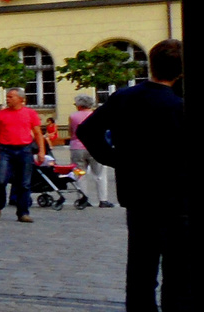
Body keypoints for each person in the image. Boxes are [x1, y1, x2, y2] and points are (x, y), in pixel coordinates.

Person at [78, 38, 185, 312]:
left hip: (137, 192)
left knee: (141, 267)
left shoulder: (126, 97)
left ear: (151, 64)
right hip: (178, 196)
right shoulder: (178, 103)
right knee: (178, 272)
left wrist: (116, 159)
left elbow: (87, 131)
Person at [0, 88, 46, 222]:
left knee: (24, 183)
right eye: (7, 97)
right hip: (5, 150)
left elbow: (38, 133)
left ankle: (23, 212)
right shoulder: (0, 114)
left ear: (20, 99)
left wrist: (41, 151)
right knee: (0, 180)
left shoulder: (30, 113)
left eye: (11, 97)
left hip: (24, 149)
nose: (8, 99)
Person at [66, 93, 112, 208]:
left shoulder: (73, 116)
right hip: (96, 146)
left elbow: (71, 132)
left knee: (80, 173)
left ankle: (83, 198)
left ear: (79, 105)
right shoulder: (95, 115)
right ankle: (103, 199)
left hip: (77, 147)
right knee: (100, 174)